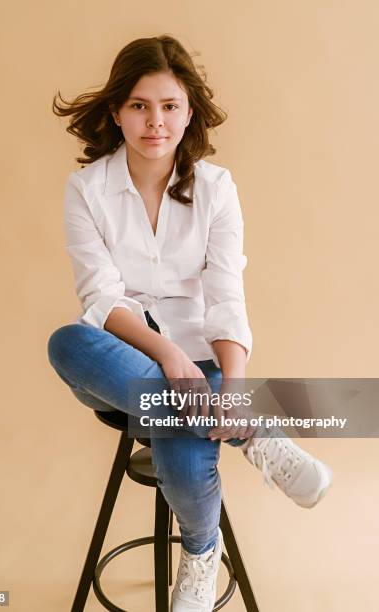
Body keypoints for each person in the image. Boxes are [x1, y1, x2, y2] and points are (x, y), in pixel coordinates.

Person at [47, 34, 333, 612]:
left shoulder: (216, 190)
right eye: (139, 106)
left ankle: (201, 554)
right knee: (67, 342)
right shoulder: (87, 190)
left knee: (176, 432)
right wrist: (170, 359)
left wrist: (228, 384)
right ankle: (257, 433)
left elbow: (226, 294)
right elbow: (102, 297)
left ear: (188, 113)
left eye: (170, 106)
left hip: (202, 366)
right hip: (119, 361)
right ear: (116, 113)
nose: (156, 122)